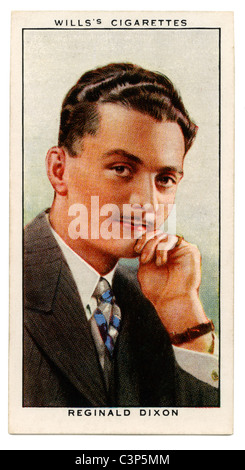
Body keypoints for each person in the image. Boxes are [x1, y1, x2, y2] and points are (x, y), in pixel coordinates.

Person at [24, 63, 219, 407]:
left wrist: (182, 313)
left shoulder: (156, 299)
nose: (147, 203)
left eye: (165, 180)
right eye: (121, 169)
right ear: (58, 169)